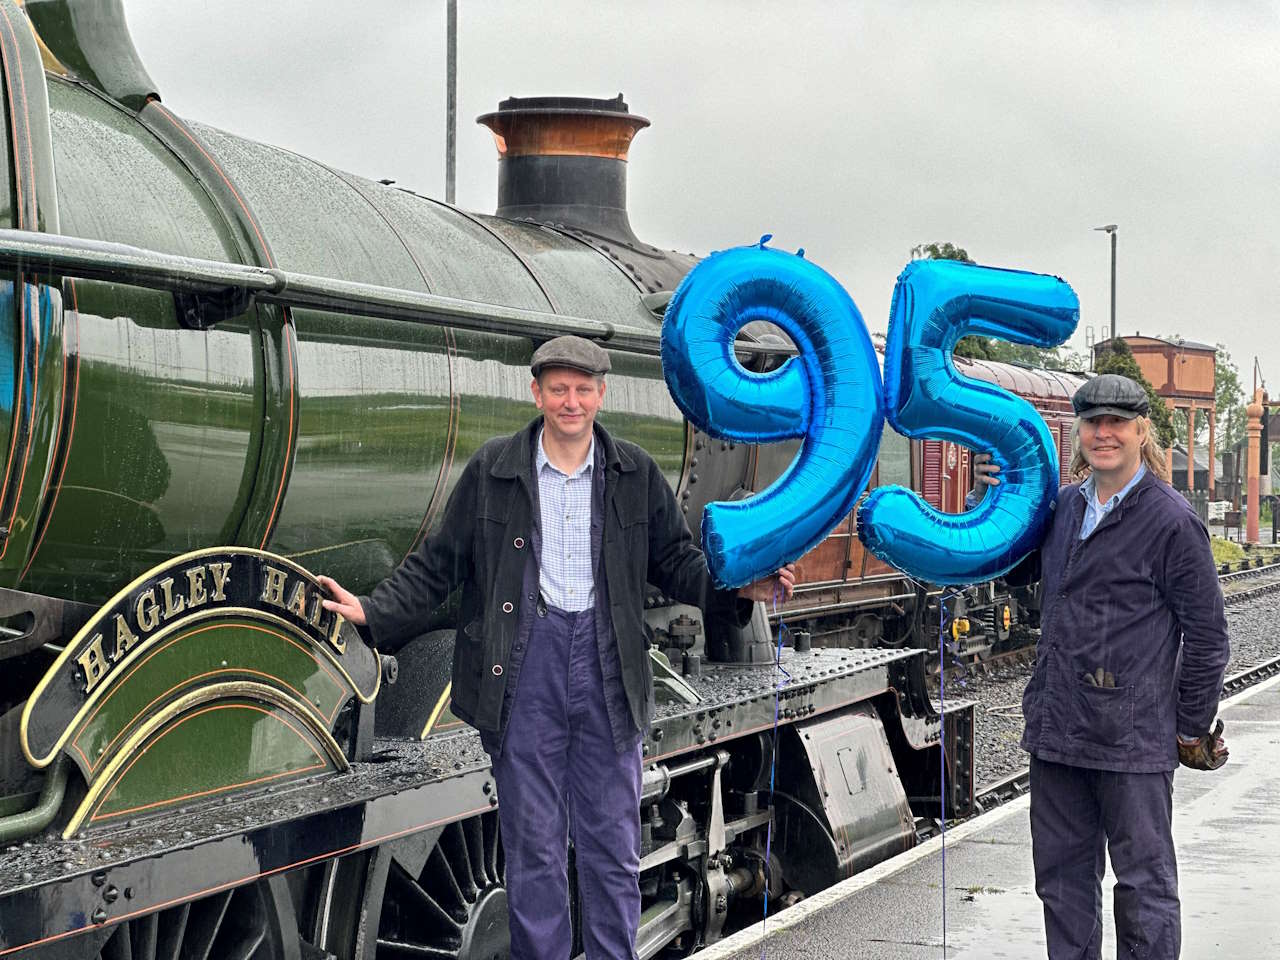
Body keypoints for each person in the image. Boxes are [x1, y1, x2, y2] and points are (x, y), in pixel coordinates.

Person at [319, 335, 795, 960]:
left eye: (583, 389)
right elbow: (438, 566)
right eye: (558, 388)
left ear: (601, 393)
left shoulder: (634, 472)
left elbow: (677, 562)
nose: (571, 401)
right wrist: (371, 612)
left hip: (607, 667)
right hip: (525, 671)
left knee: (612, 853)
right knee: (534, 852)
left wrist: (740, 587)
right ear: (537, 392)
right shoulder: (493, 469)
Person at [972, 373, 1230, 958]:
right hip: (1059, 731)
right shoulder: (1063, 507)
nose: (1103, 433)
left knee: (1144, 890)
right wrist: (991, 502)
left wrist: (1189, 726)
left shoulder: (1171, 521)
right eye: (1093, 422)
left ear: (1143, 431)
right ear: (1079, 433)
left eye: (1117, 422)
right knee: (1061, 887)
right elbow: (1013, 573)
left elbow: (1209, 636)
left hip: (1132, 740)